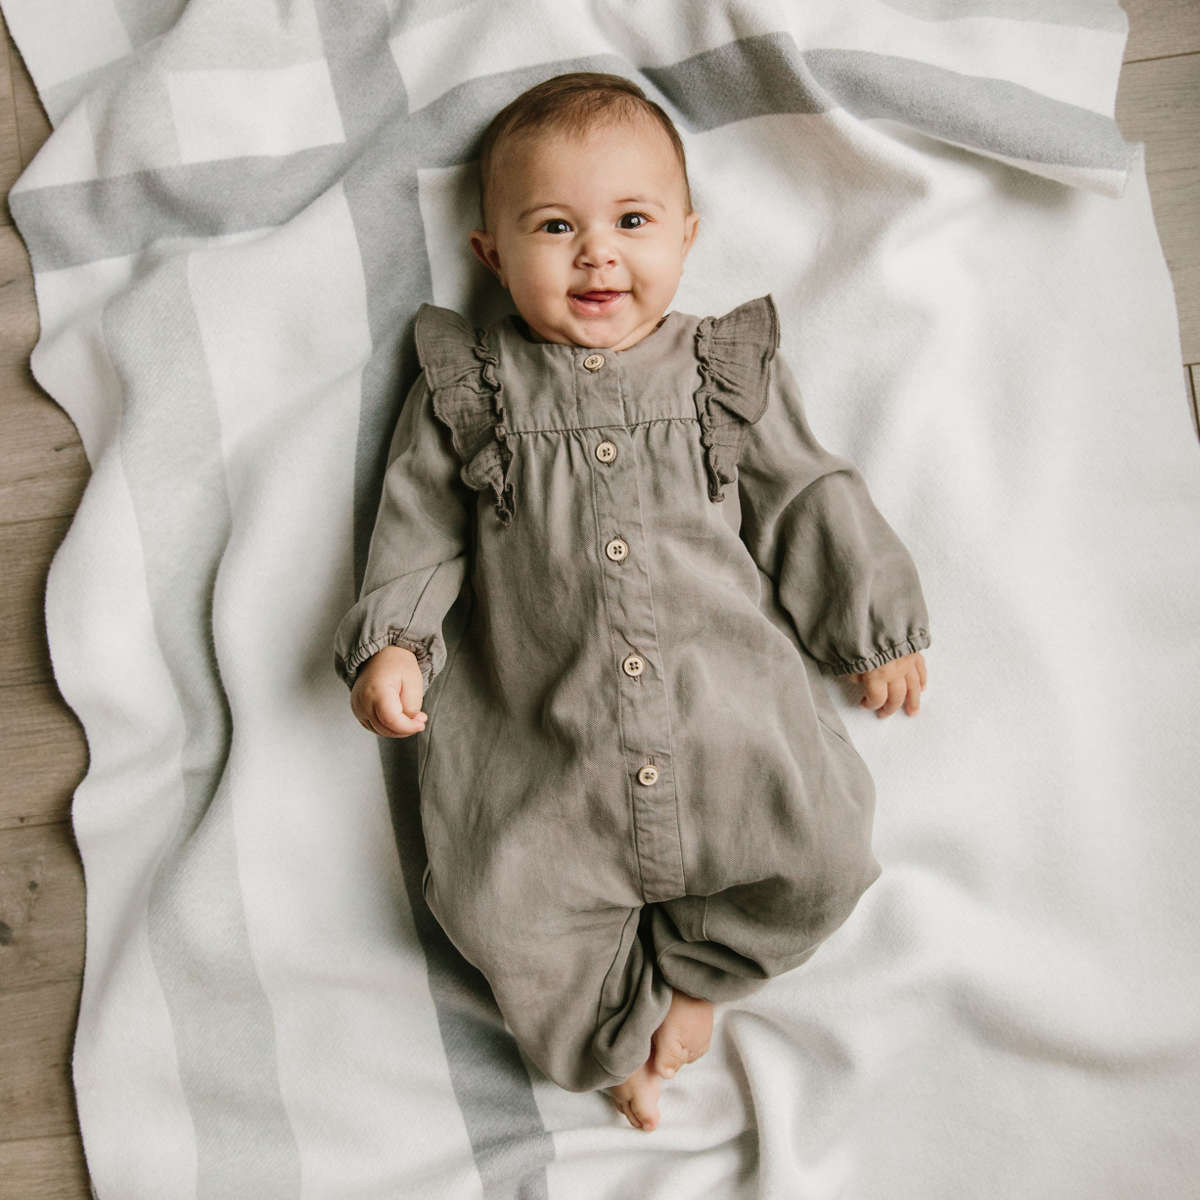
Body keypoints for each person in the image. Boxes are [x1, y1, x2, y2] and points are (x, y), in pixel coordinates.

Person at [334, 72, 930, 1132]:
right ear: (491, 255)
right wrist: (395, 643)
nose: (597, 255)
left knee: (830, 859)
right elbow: (419, 522)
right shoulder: (474, 390)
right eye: (555, 226)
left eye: (633, 222)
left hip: (729, 726)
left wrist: (869, 620)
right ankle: (615, 1038)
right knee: (490, 909)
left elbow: (803, 491)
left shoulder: (716, 372)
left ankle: (702, 974)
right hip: (543, 751)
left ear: (688, 237)